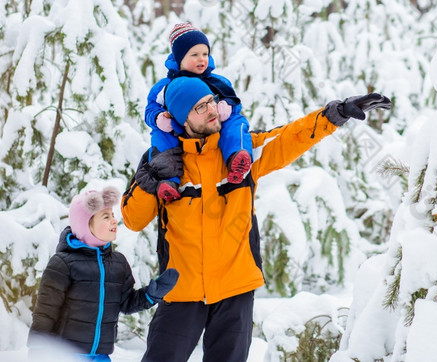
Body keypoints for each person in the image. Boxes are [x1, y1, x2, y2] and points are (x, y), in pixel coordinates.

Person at [121, 77, 391, 362]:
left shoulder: (241, 152)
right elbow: (133, 220)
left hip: (235, 288)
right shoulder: (164, 162)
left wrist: (336, 114)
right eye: (200, 107)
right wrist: (149, 179)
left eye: (211, 101)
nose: (211, 109)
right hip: (181, 290)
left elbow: (290, 136)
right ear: (181, 117)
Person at [28, 186, 179, 361]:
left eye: (113, 215)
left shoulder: (118, 264)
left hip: (101, 355)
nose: (114, 221)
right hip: (66, 354)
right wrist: (38, 348)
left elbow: (126, 303)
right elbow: (46, 311)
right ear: (86, 225)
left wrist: (152, 294)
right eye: (106, 217)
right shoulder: (63, 263)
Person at [145, 22, 253, 203]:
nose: (201, 59)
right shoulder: (164, 87)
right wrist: (157, 118)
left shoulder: (216, 81)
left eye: (205, 54)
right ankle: (168, 182)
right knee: (160, 136)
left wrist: (228, 106)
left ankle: (237, 157)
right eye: (194, 55)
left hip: (211, 123)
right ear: (179, 58)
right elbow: (150, 108)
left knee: (236, 122)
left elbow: (234, 100)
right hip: (178, 127)